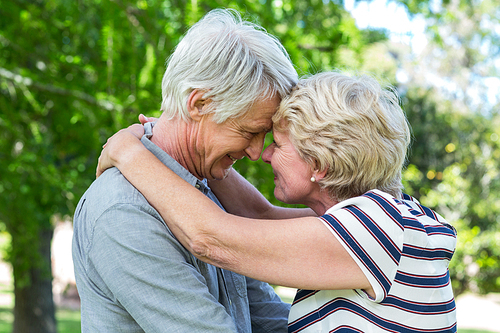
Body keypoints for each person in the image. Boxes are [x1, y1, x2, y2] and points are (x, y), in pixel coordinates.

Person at [97, 71, 458, 332]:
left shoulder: (375, 229)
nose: (263, 154)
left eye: (279, 144)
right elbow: (258, 214)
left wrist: (129, 152)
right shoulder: (390, 217)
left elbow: (210, 238)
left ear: (320, 164)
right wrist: (184, 140)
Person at [72, 8, 301, 332]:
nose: (254, 152)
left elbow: (265, 317)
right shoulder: (124, 212)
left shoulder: (207, 189)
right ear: (198, 104)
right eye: (249, 132)